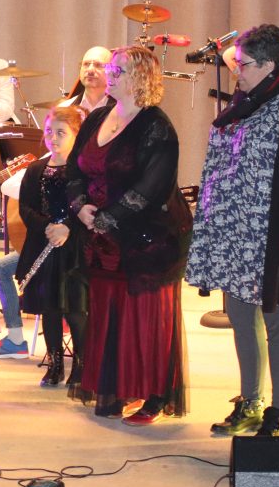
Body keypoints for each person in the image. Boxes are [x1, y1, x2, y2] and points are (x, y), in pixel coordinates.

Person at [188, 23, 279, 438]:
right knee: (240, 315)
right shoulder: (251, 94)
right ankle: (250, 402)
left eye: (244, 64)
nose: (237, 70)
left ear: (269, 64)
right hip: (239, 230)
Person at [67, 45, 192, 425]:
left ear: (140, 78)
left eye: (117, 70)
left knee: (145, 318)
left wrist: (108, 218)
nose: (109, 75)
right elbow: (75, 168)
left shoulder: (157, 126)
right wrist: (80, 206)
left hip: (147, 240)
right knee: (110, 315)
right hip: (101, 240)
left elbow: (153, 187)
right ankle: (118, 388)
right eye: (111, 69)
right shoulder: (97, 117)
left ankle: (153, 395)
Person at [14, 107, 88, 390]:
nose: (53, 138)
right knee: (50, 308)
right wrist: (47, 227)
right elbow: (25, 207)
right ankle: (55, 362)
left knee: (76, 309)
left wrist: (66, 227)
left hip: (74, 249)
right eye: (48, 132)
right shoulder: (35, 170)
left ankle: (82, 364)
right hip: (44, 246)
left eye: (60, 133)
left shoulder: (83, 170)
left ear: (76, 135)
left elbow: (89, 206)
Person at [59, 46, 115, 116]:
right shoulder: (64, 109)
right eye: (86, 64)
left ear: (112, 72)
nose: (90, 70)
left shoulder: (122, 112)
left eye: (98, 65)